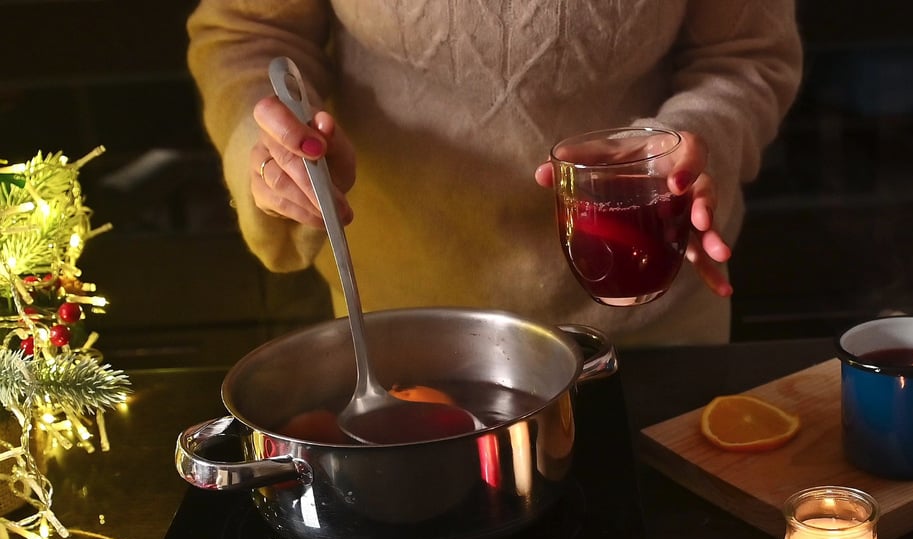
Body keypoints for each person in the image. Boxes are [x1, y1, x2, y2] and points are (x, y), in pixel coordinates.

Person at [186, 1, 802, 346]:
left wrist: (700, 136)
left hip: (649, 316)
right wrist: (270, 146)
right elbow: (247, 32)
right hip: (405, 322)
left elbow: (744, 53)